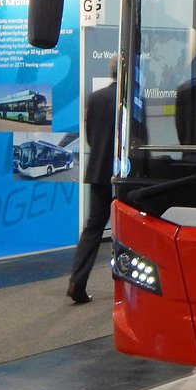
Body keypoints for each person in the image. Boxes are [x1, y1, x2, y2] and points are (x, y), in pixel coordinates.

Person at [66, 56, 118, 304]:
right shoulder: (130, 99)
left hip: (98, 172)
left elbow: (90, 138)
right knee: (131, 231)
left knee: (93, 228)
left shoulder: (95, 98)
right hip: (124, 176)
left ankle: (77, 280)